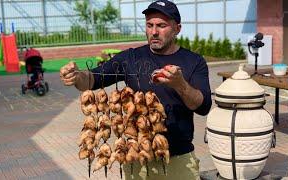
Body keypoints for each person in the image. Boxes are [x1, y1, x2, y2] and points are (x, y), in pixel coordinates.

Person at [60, 0, 212, 179]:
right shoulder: (130, 58)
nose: (154, 31)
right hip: (137, 159)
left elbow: (203, 107)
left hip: (178, 160)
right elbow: (92, 80)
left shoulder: (194, 61)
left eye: (161, 26)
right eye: (150, 25)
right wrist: (77, 76)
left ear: (177, 29)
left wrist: (180, 84)